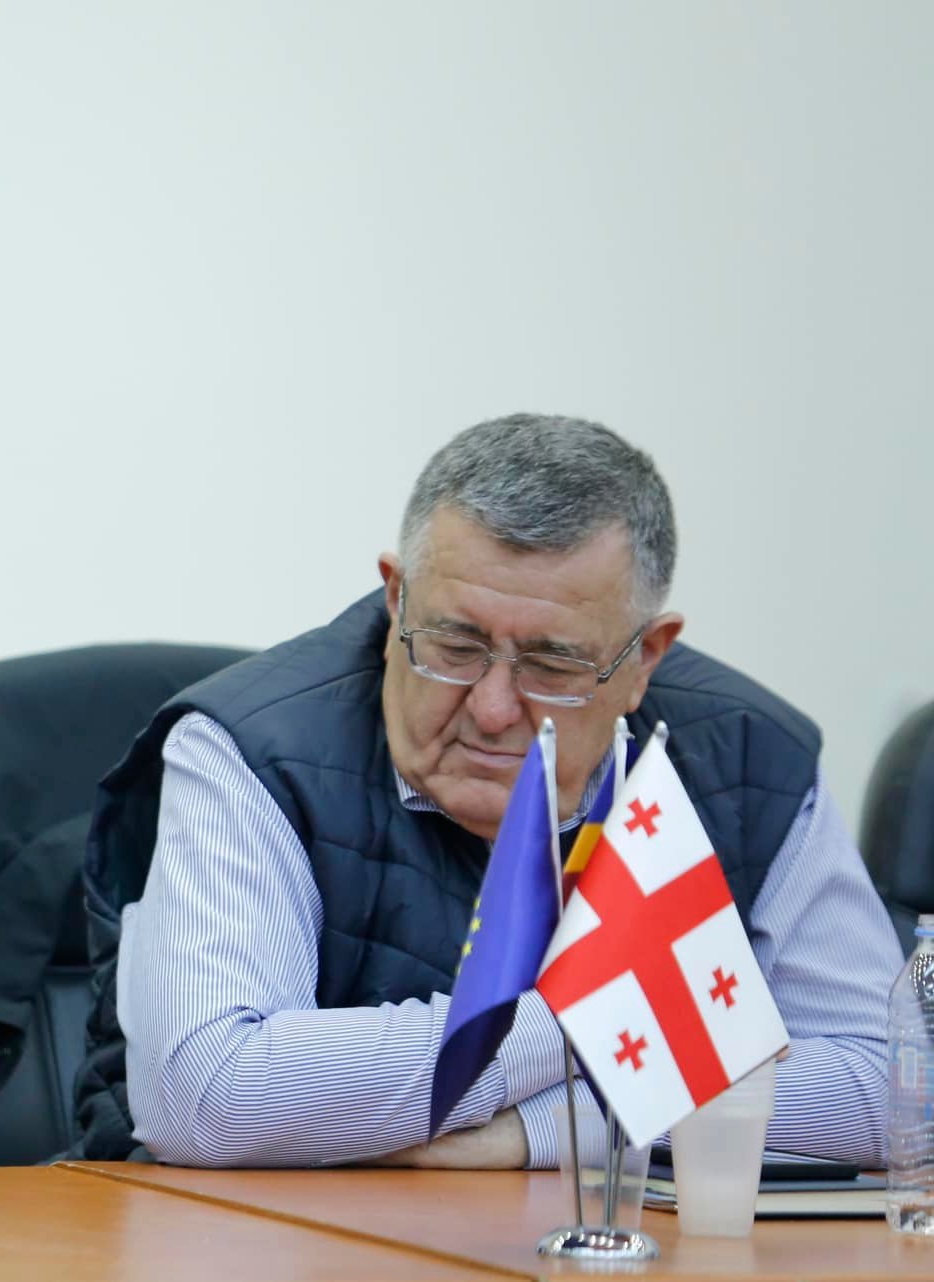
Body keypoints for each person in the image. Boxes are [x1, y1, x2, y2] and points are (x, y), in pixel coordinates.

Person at [75, 413, 897, 1169]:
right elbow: (211, 1098)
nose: (494, 708)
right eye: (455, 645)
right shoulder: (253, 747)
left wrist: (543, 1134)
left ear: (645, 657)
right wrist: (612, 1011)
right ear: (396, 596)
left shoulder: (750, 757)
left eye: (552, 665)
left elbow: (895, 1095)